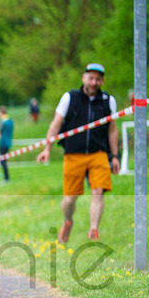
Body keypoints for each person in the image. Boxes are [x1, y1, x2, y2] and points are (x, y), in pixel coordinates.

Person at [37, 62, 119, 243]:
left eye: (98, 79)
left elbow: (112, 130)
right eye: (91, 78)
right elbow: (55, 124)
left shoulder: (108, 101)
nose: (94, 82)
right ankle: (67, 221)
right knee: (69, 200)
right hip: (73, 154)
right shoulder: (70, 97)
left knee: (98, 191)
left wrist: (114, 156)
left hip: (98, 153)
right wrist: (47, 148)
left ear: (102, 81)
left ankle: (94, 230)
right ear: (83, 78)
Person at [0, 107, 14, 182]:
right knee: (4, 160)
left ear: (0, 112)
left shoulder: (2, 121)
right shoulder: (10, 120)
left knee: (3, 161)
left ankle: (6, 178)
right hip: (8, 142)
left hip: (2, 142)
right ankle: (6, 177)